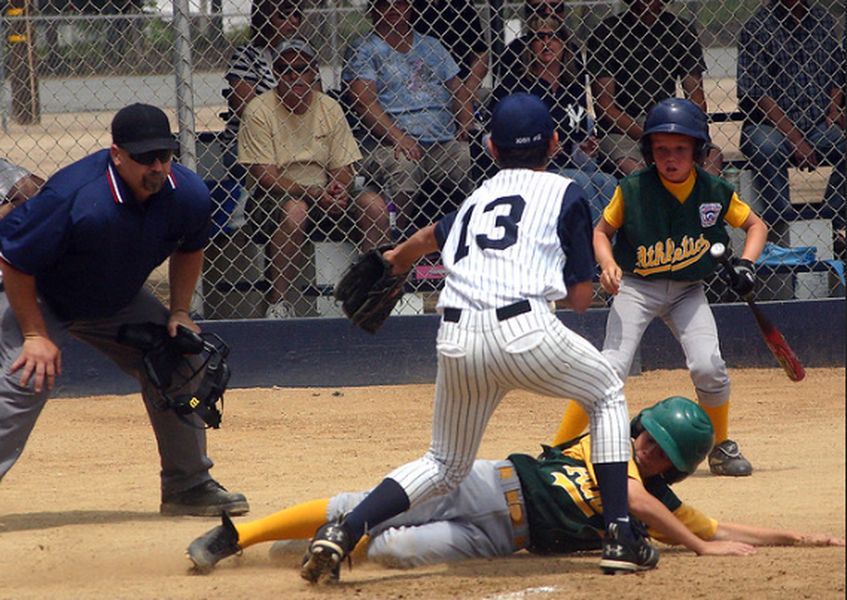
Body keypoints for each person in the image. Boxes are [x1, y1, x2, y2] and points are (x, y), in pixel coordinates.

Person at [294, 93, 659, 583]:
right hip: (526, 332)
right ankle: (619, 533)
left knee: (443, 463)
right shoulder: (566, 191)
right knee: (606, 391)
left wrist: (395, 258)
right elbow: (578, 299)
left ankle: (344, 529)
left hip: (458, 337)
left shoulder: (478, 198)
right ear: (555, 142)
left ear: (491, 148)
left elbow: (431, 236)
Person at [185, 396, 845, 573]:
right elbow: (644, 505)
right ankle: (238, 536)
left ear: (676, 465)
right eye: (646, 436)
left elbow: (718, 526)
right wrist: (698, 547)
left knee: (392, 550)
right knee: (355, 508)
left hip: (502, 540)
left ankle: (311, 551)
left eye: (660, 452)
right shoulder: (610, 448)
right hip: (488, 484)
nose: (645, 450)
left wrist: (797, 537)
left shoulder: (663, 503)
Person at [0, 103, 249, 517]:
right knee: (23, 379)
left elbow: (191, 248)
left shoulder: (187, 193)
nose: (157, 167)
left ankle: (188, 487)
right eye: (145, 157)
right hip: (40, 293)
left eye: (164, 155)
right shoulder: (76, 194)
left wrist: (179, 311)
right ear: (117, 154)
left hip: (113, 300)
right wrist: (33, 334)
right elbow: (14, 260)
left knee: (179, 358)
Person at [551, 98, 768, 478]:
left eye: (681, 149)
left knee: (709, 366)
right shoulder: (634, 188)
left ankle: (721, 445)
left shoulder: (713, 190)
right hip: (637, 287)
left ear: (698, 151)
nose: (670, 157)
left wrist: (746, 264)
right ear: (649, 151)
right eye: (661, 148)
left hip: (687, 290)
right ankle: (559, 449)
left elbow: (756, 226)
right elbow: (601, 232)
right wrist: (608, 264)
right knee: (610, 367)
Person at [239, 39, 389, 319]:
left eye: (302, 69)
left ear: (313, 72)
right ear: (275, 73)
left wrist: (337, 188)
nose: (294, 76)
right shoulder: (259, 109)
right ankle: (278, 303)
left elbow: (343, 166)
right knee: (296, 210)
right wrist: (313, 193)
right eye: (286, 70)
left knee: (375, 206)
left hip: (323, 191)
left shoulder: (329, 107)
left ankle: (371, 294)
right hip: (274, 197)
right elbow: (265, 176)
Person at [342, 0, 474, 233]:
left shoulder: (431, 45)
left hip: (441, 142)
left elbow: (458, 88)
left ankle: (470, 231)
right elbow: (364, 102)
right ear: (373, 10)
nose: (393, 8)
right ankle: (396, 238)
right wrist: (399, 137)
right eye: (385, 4)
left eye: (400, 3)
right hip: (387, 143)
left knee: (469, 156)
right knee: (405, 166)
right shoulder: (364, 49)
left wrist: (466, 123)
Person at [490, 15, 618, 224]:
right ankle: (595, 241)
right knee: (581, 182)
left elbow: (576, 146)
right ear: (530, 46)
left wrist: (585, 150)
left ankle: (608, 240)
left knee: (608, 182)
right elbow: (493, 134)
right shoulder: (517, 85)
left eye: (554, 36)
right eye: (539, 37)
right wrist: (542, 149)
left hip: (570, 165)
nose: (547, 43)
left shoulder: (573, 87)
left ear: (565, 44)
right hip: (533, 166)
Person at [736, 0, 845, 231]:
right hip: (770, 124)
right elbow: (757, 93)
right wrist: (795, 139)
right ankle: (783, 225)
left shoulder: (822, 20)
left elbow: (837, 73)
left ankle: (832, 222)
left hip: (817, 122)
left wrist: (834, 108)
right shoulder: (757, 26)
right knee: (767, 148)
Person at [586, 0, 721, 177]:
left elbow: (696, 97)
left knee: (713, 157)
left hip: (670, 120)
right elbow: (605, 106)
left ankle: (700, 194)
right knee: (634, 169)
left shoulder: (679, 30)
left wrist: (689, 130)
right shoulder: (607, 32)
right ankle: (653, 193)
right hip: (624, 128)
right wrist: (647, 135)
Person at [223, 0, 304, 140]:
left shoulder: (304, 55)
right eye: (283, 16)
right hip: (253, 142)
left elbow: (316, 105)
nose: (293, 21)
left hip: (294, 139)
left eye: (297, 15)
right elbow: (248, 112)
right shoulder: (247, 57)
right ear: (265, 19)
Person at [410, 0, 489, 103]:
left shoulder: (461, 4)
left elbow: (480, 52)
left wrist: (469, 89)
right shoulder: (407, 6)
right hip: (418, 83)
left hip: (460, 82)